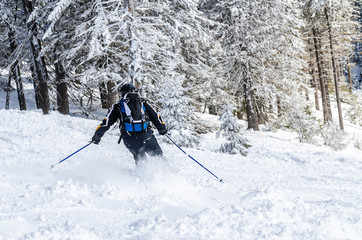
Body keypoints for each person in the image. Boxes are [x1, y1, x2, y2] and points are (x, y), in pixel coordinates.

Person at [91, 83, 167, 163]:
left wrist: (97, 135)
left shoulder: (118, 106)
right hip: (146, 134)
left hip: (129, 137)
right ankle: (168, 172)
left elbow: (106, 123)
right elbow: (156, 116)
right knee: (158, 156)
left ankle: (142, 173)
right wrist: (162, 128)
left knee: (140, 158)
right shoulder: (143, 103)